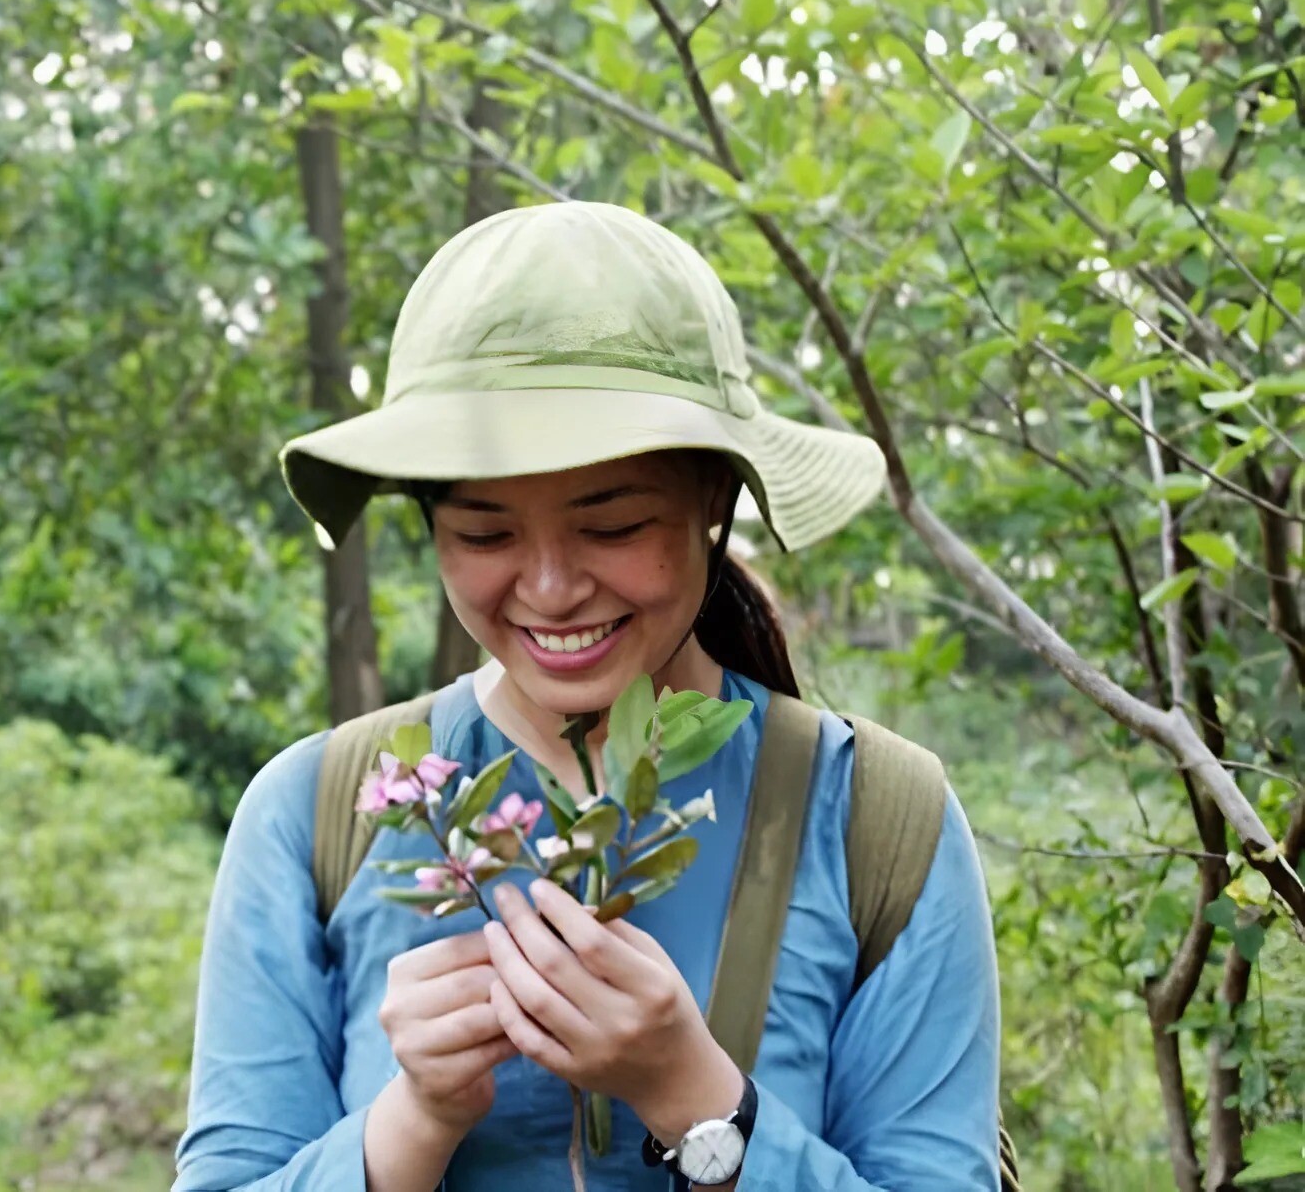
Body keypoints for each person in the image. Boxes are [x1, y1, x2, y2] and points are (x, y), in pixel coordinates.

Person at [171, 201, 1000, 1191]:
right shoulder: (314, 813)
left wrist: (696, 1096)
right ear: (430, 527)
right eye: (485, 535)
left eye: (613, 527)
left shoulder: (875, 820)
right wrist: (414, 1117)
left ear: (715, 507)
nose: (552, 587)